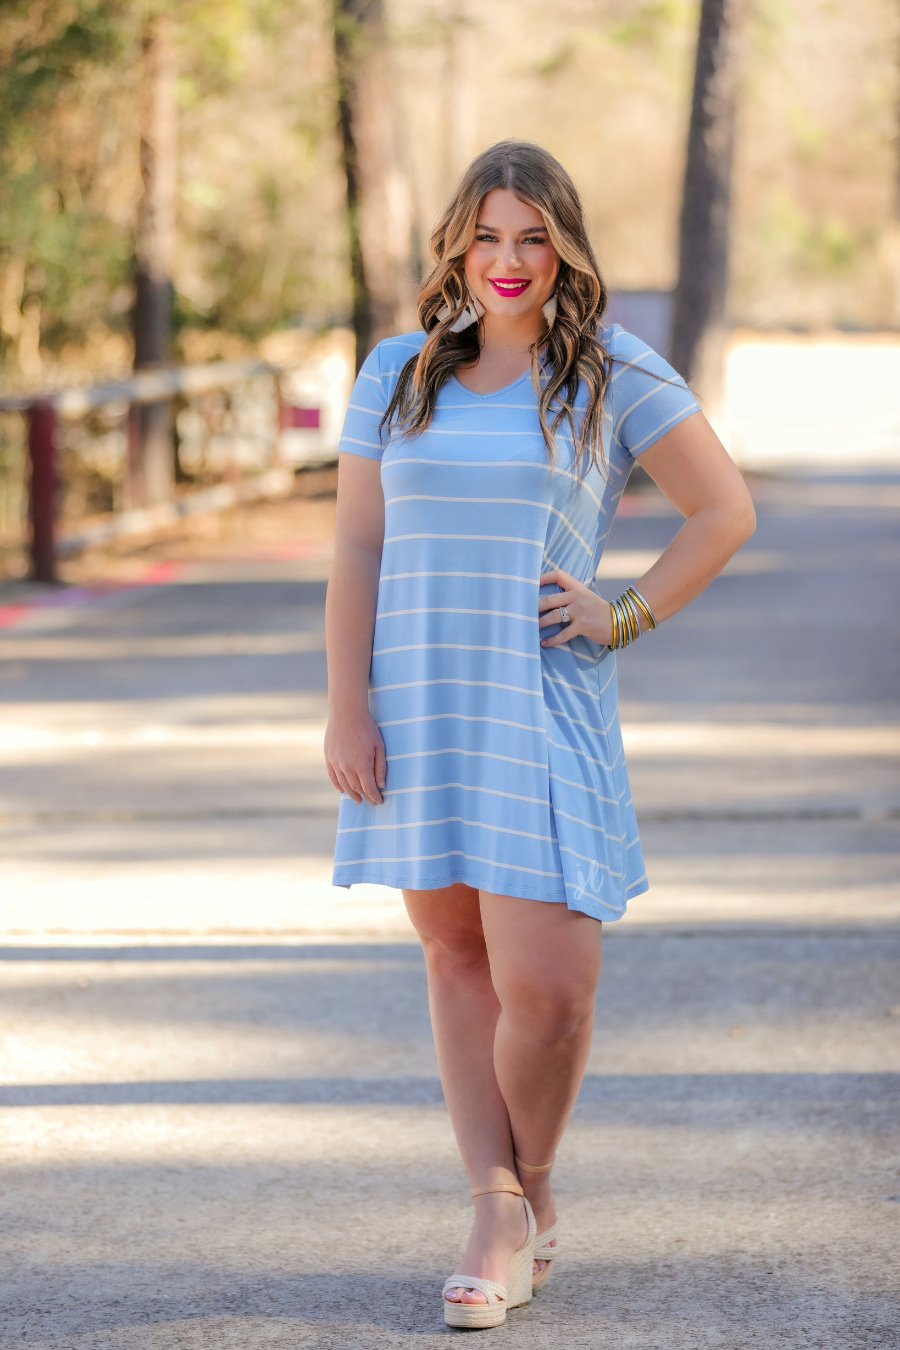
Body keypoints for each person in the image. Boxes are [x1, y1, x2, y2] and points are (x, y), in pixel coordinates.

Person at [323, 139, 756, 1330]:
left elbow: (724, 510)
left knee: (551, 988)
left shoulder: (611, 370)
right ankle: (493, 1207)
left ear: (565, 245)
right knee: (456, 958)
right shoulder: (397, 372)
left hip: (540, 703)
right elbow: (358, 545)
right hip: (417, 703)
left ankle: (536, 1188)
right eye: (488, 235)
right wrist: (347, 705)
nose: (508, 262)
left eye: (533, 237)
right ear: (457, 242)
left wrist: (622, 613)